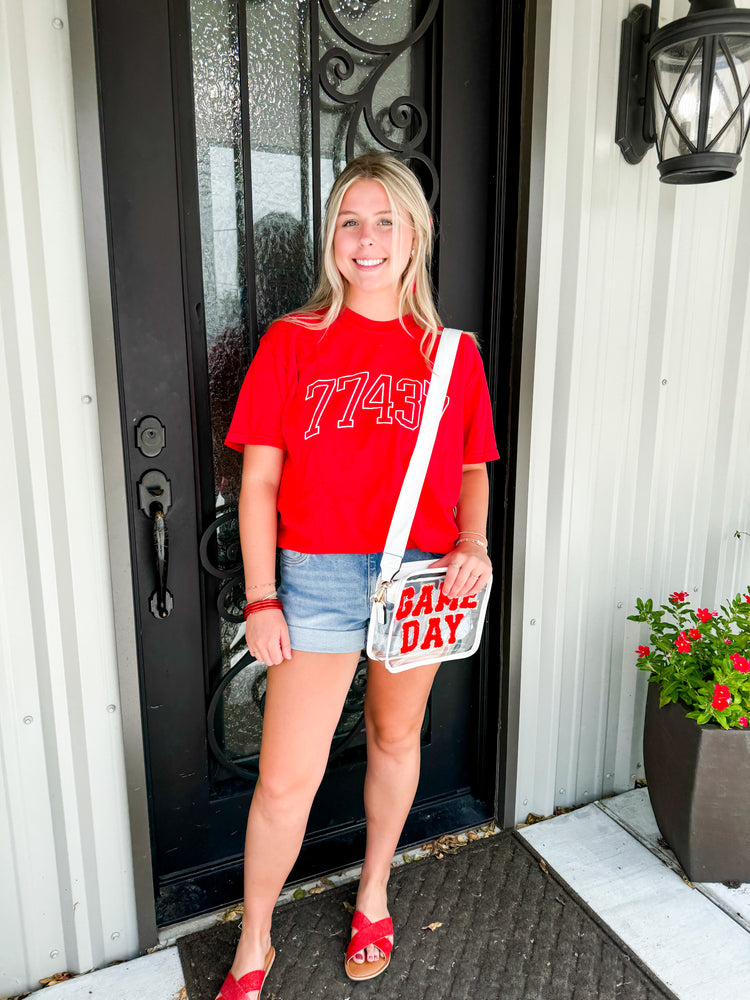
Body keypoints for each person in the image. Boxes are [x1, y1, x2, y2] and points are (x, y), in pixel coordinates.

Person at [217, 151, 498, 1000]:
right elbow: (259, 480)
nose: (367, 239)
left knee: (393, 738)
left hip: (420, 578)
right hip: (318, 579)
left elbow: (474, 466)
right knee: (284, 778)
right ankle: (253, 938)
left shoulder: (452, 356)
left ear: (417, 234)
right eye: (351, 220)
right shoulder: (293, 343)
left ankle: (373, 890)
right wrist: (262, 596)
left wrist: (474, 544)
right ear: (332, 237)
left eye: (386, 220)